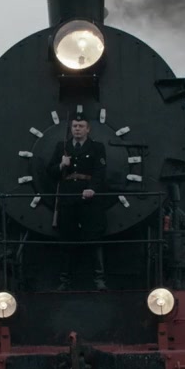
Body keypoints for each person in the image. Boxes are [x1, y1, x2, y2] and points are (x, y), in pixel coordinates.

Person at [46, 114, 109, 291]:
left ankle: (99, 278)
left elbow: (100, 171)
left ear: (88, 129)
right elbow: (50, 171)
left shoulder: (97, 147)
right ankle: (65, 279)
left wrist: (92, 189)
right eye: (75, 126)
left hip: (89, 198)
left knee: (94, 238)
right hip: (68, 197)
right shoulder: (62, 147)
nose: (77, 129)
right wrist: (61, 165)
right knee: (66, 238)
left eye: (81, 126)